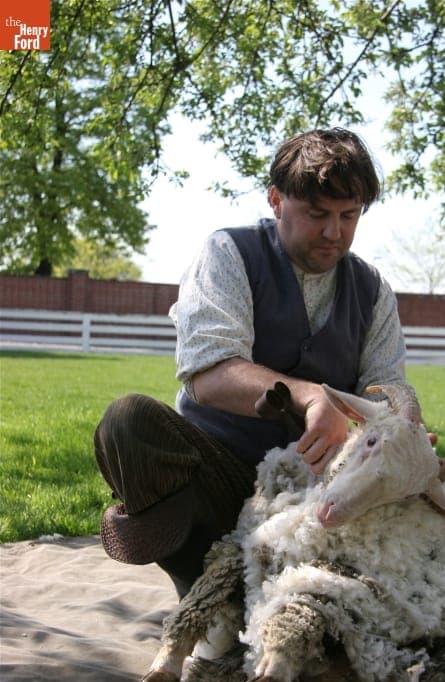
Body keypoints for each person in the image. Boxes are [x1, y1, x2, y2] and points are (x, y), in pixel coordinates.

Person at [94, 127, 408, 598]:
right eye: (317, 213)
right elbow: (209, 372)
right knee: (127, 422)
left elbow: (384, 390)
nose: (333, 232)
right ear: (277, 200)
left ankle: (269, 582)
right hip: (220, 471)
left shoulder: (373, 290)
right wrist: (309, 397)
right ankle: (197, 577)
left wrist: (400, 428)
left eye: (349, 215)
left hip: (317, 491)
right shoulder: (228, 253)